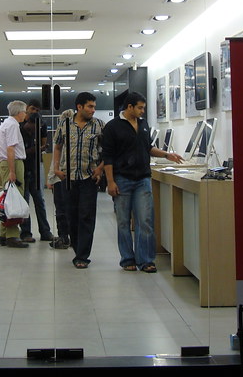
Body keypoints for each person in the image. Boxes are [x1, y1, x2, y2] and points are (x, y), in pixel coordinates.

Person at [101, 91, 183, 273]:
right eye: (140, 107)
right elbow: (107, 157)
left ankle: (145, 260)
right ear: (129, 107)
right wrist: (110, 182)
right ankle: (127, 259)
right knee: (123, 222)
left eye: (143, 108)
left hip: (143, 179)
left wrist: (168, 155)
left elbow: (148, 148)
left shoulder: (143, 124)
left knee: (145, 220)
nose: (142, 111)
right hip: (122, 179)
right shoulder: (113, 127)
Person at [52, 92, 104, 268]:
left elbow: (107, 149)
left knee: (87, 216)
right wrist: (56, 169)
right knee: (71, 217)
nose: (93, 110)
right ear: (79, 107)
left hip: (89, 177)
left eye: (94, 106)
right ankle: (77, 248)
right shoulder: (65, 124)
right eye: (90, 106)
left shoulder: (98, 125)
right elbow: (57, 147)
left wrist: (100, 168)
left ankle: (82, 256)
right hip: (68, 177)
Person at [0, 99, 29, 248]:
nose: (26, 115)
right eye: (25, 112)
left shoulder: (6, 124)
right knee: (14, 198)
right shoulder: (13, 125)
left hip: (5, 163)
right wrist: (13, 171)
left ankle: (3, 235)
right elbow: (11, 149)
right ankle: (12, 236)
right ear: (20, 112)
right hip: (12, 163)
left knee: (8, 196)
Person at [19, 100, 55, 243]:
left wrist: (40, 148)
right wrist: (35, 149)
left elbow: (43, 144)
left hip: (36, 165)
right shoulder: (19, 126)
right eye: (33, 109)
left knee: (39, 199)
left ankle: (45, 232)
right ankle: (26, 232)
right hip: (22, 165)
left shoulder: (42, 125)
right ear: (27, 108)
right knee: (25, 200)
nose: (35, 111)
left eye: (37, 110)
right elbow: (19, 152)